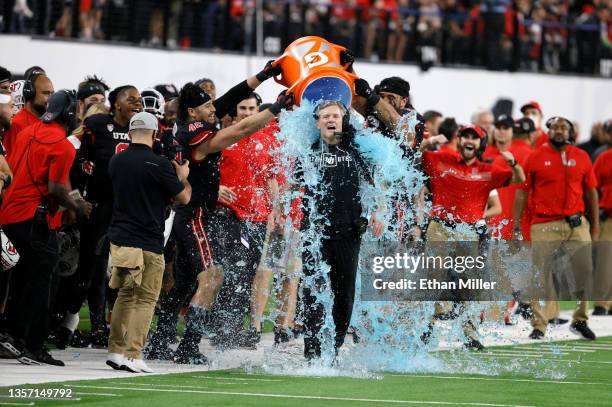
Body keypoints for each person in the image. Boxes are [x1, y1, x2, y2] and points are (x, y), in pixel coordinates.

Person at [146, 61, 291, 364]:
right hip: (195, 215)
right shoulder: (193, 133)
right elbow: (240, 129)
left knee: (185, 282)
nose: (215, 108)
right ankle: (188, 346)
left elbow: (231, 98)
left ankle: (158, 341)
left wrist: (262, 76)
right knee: (213, 276)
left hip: (194, 212)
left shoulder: (200, 118)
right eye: (208, 106)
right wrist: (276, 107)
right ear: (193, 112)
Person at [0, 90, 92, 366]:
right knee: (42, 284)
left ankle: (13, 337)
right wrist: (79, 206)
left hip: (11, 214)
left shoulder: (28, 132)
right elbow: (56, 187)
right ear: (69, 113)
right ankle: (34, 345)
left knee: (20, 281)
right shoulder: (62, 145)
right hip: (34, 218)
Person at [420, 124, 525, 349]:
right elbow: (410, 153)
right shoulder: (441, 159)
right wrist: (428, 142)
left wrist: (513, 162)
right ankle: (425, 328)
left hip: (467, 232)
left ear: (481, 144)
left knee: (469, 285)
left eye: (474, 138)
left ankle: (469, 333)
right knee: (432, 279)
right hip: (439, 228)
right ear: (459, 140)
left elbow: (519, 179)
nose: (469, 140)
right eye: (465, 136)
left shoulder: (489, 171)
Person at [105, 112, 191, 373]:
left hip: (120, 239)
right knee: (145, 299)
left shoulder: (116, 161)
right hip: (148, 241)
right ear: (155, 135)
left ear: (130, 133)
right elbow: (183, 198)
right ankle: (133, 354)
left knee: (125, 295)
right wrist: (183, 175)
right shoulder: (159, 164)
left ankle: (116, 351)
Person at [299, 100, 384, 361]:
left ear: (344, 120)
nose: (330, 120)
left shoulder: (357, 151)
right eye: (325, 116)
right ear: (317, 122)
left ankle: (332, 349)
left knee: (344, 294)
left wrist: (378, 211)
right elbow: (290, 184)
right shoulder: (308, 151)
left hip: (349, 232)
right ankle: (312, 351)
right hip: (315, 232)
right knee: (313, 290)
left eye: (335, 115)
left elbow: (377, 182)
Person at [513, 116, 599, 340]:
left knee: (585, 270)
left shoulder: (581, 156)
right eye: (555, 127)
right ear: (548, 131)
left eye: (564, 128)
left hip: (576, 223)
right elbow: (522, 192)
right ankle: (539, 324)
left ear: (571, 133)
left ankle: (580, 320)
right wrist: (516, 224)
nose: (560, 131)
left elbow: (591, 193)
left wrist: (595, 226)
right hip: (544, 223)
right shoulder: (535, 157)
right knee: (539, 275)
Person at [73, 85, 143, 348]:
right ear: (115, 105)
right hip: (102, 206)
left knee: (130, 269)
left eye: (139, 99)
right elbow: (78, 165)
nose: (138, 103)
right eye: (131, 99)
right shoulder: (97, 126)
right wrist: (78, 200)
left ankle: (120, 328)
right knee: (92, 268)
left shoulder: (146, 127)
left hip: (132, 210)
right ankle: (75, 322)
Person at [2, 72, 54, 155]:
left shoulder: (50, 122)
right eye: (46, 93)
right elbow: (9, 162)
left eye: (52, 93)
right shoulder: (16, 125)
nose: (51, 98)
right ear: (30, 94)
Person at [591, 129, 612, 316]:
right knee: (605, 263)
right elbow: (593, 188)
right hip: (609, 217)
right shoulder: (603, 157)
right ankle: (602, 303)